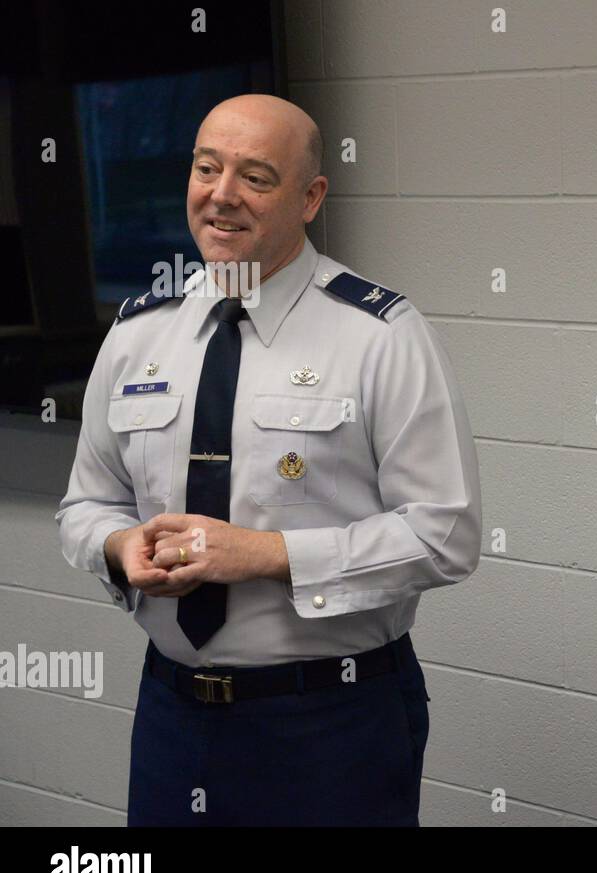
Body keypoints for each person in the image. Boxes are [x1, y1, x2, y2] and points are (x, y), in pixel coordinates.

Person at [55, 94, 481, 826]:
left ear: (311, 197)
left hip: (328, 721)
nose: (221, 195)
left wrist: (264, 554)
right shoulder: (136, 333)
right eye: (206, 168)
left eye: (255, 176)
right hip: (172, 713)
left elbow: (446, 535)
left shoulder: (380, 336)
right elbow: (85, 507)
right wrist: (122, 545)